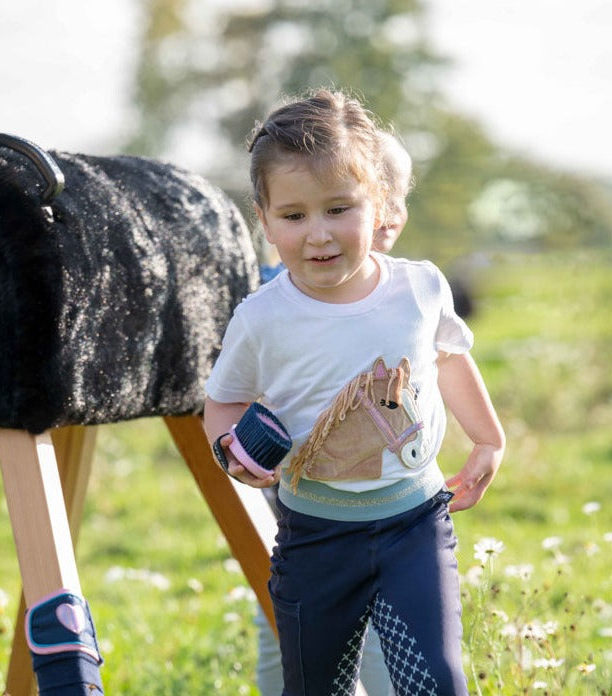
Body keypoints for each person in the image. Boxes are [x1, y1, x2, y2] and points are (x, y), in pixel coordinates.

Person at [204, 89, 505, 695]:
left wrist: (488, 439)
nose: (319, 234)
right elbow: (224, 401)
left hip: (414, 522)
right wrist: (231, 451)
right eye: (294, 216)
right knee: (318, 687)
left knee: (437, 682)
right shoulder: (262, 317)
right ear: (263, 221)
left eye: (339, 208)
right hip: (315, 534)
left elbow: (448, 357)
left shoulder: (419, 289)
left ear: (381, 208)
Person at [254, 127, 413, 696]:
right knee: (288, 627)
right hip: (301, 499)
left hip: (384, 505)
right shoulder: (279, 296)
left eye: (396, 202)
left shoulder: (403, 297)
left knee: (382, 629)